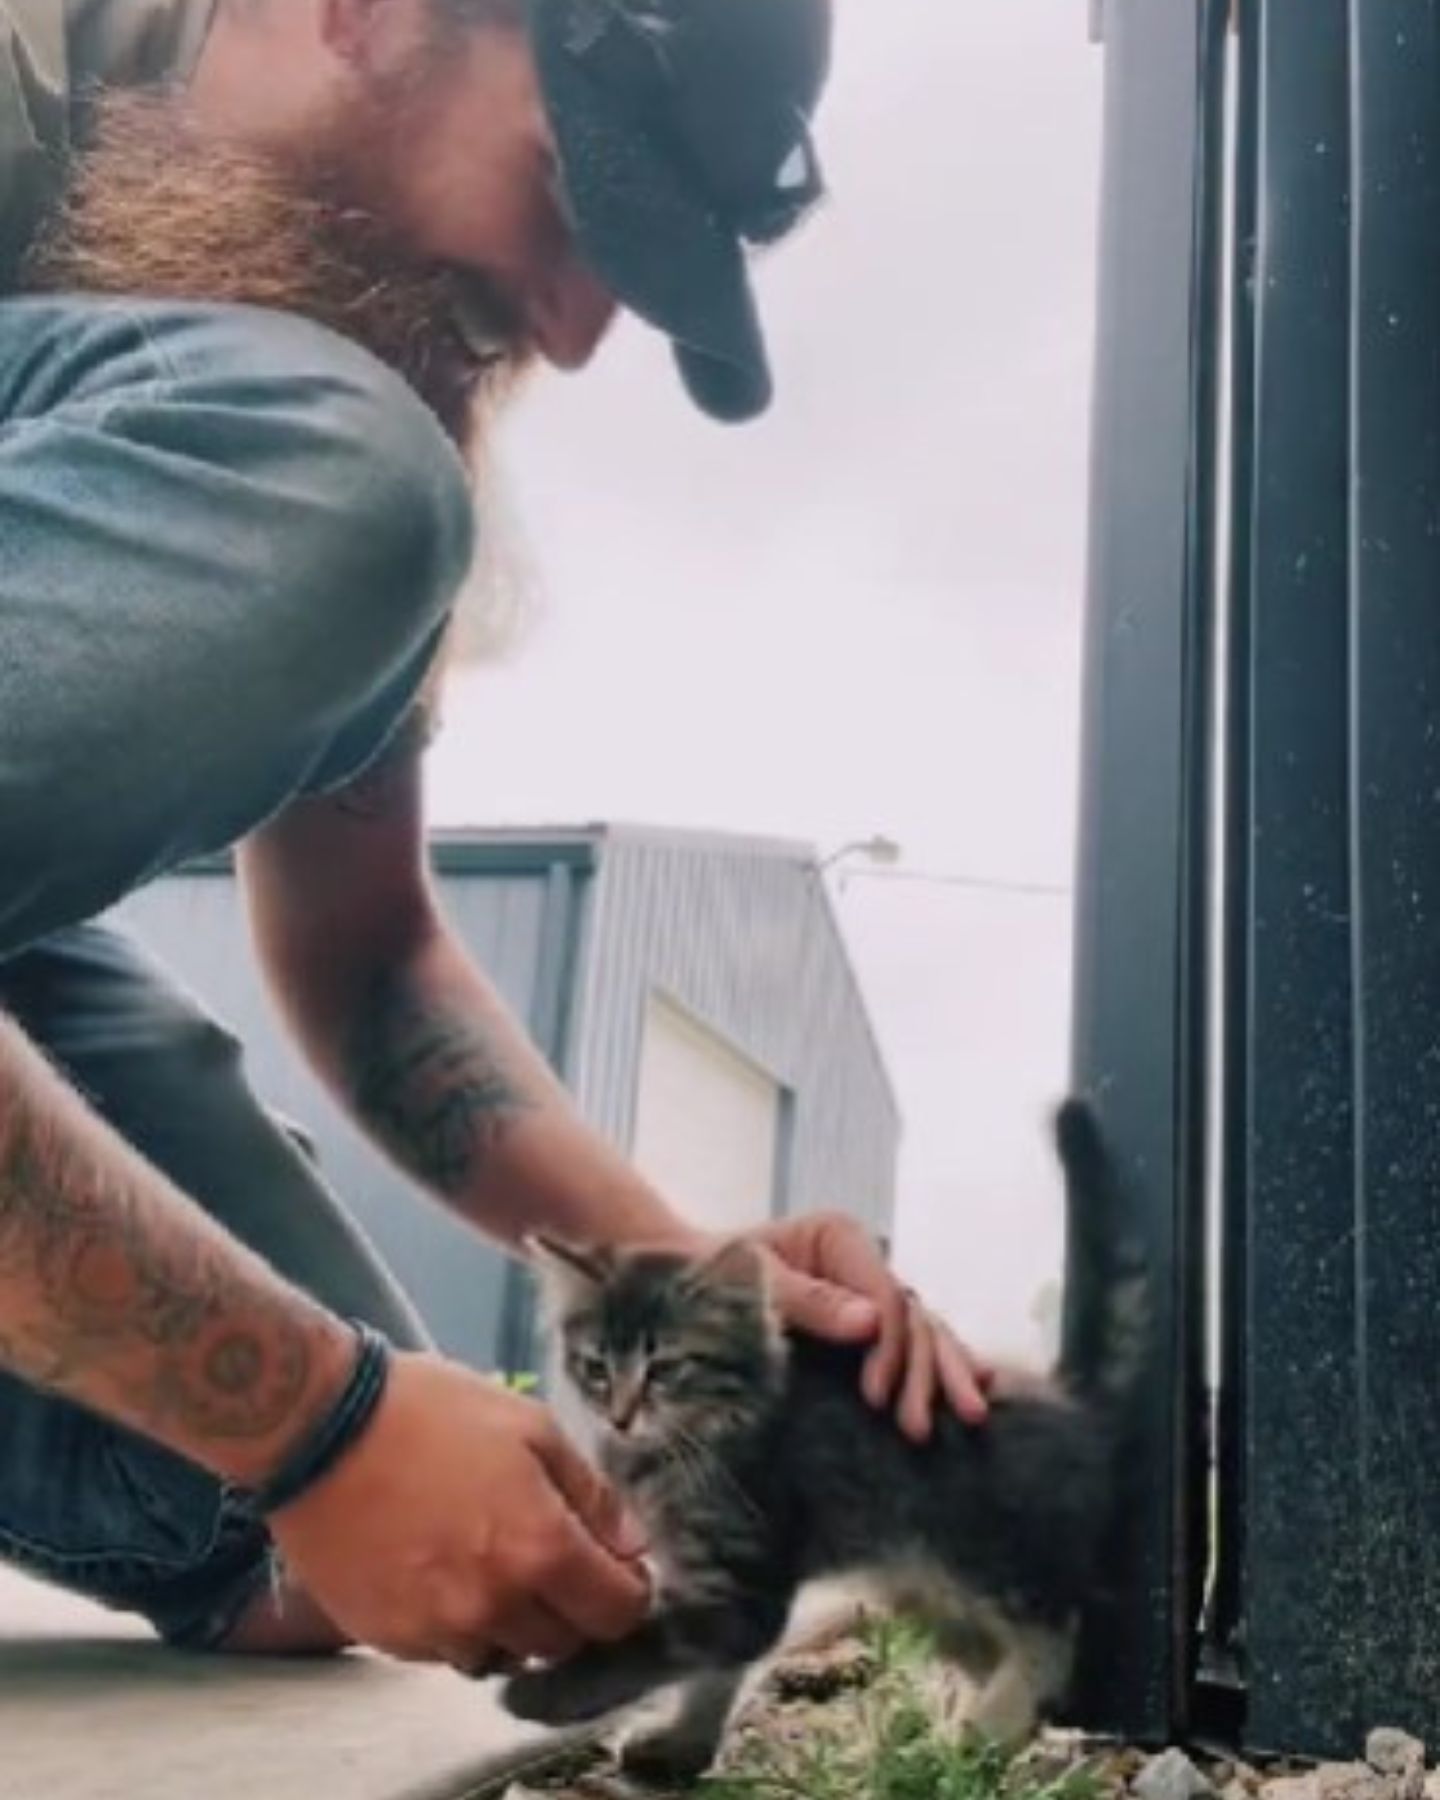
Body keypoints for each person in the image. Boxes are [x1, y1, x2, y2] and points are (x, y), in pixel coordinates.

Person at [0, 0, 993, 1676]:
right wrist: (316, 1419)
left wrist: (679, 1275)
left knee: (365, 1543)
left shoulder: (277, 300)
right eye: (568, 190)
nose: (577, 330)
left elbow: (370, 955)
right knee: (352, 476)